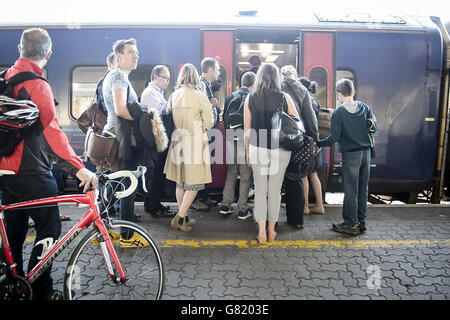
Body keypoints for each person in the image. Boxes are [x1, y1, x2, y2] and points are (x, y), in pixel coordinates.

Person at [0, 28, 97, 300]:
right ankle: (40, 292)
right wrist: (78, 167)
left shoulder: (5, 77)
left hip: (6, 171)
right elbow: (52, 133)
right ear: (49, 55)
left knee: (14, 233)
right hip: (32, 173)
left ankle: (13, 287)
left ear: (20, 49)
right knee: (50, 230)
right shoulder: (37, 85)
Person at [244, 63, 299, 244]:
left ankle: (260, 232)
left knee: (260, 190)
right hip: (280, 148)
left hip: (257, 147)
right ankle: (271, 231)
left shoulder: (250, 98)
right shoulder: (285, 98)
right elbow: (296, 124)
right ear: (277, 77)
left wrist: (247, 153)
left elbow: (247, 130)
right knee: (275, 191)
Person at [101, 38, 149, 245]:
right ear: (119, 56)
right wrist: (142, 118)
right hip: (121, 136)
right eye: (131, 52)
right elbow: (121, 109)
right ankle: (127, 237)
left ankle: (104, 231)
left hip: (113, 134)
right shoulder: (119, 75)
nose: (136, 55)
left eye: (136, 52)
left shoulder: (112, 74)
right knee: (128, 183)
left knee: (113, 183)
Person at [316, 79, 378, 235]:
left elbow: (334, 138)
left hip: (351, 156)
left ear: (338, 94)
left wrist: (319, 143)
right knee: (363, 189)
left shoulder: (339, 113)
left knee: (351, 190)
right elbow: (374, 128)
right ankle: (360, 221)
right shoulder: (365, 107)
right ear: (353, 92)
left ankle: (351, 224)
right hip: (366, 154)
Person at [164, 63, 215, 232]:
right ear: (195, 77)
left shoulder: (174, 95)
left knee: (181, 182)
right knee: (195, 183)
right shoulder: (200, 96)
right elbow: (209, 122)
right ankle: (178, 219)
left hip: (177, 141)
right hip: (194, 142)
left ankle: (183, 216)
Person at [280, 65, 319, 229]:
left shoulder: (276, 87)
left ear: (281, 75)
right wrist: (315, 138)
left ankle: (271, 221)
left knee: (275, 180)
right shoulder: (302, 89)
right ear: (295, 75)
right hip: (297, 139)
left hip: (278, 139)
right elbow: (310, 117)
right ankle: (296, 219)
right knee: (295, 178)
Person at [140, 65, 176, 218]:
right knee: (156, 175)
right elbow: (162, 112)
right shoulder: (150, 93)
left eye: (168, 78)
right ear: (155, 77)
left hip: (157, 140)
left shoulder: (157, 93)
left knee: (156, 174)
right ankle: (154, 207)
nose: (167, 81)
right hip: (155, 142)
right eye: (165, 77)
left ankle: (152, 204)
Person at [220, 71, 255, 220]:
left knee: (231, 173)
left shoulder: (230, 97)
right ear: (253, 84)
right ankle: (242, 209)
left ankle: (225, 205)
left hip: (230, 138)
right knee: (246, 175)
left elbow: (223, 118)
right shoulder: (252, 98)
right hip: (245, 140)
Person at [192, 57, 221, 211]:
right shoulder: (202, 85)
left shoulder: (207, 85)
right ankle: (196, 199)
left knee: (206, 166)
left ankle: (203, 196)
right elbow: (200, 107)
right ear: (210, 70)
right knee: (202, 166)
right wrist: (212, 103)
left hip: (207, 131)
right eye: (217, 69)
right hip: (203, 132)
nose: (219, 72)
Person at [299, 77, 325, 215]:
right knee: (314, 175)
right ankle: (319, 206)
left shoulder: (304, 101)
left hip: (306, 143)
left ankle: (306, 207)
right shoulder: (316, 102)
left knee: (303, 176)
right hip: (316, 143)